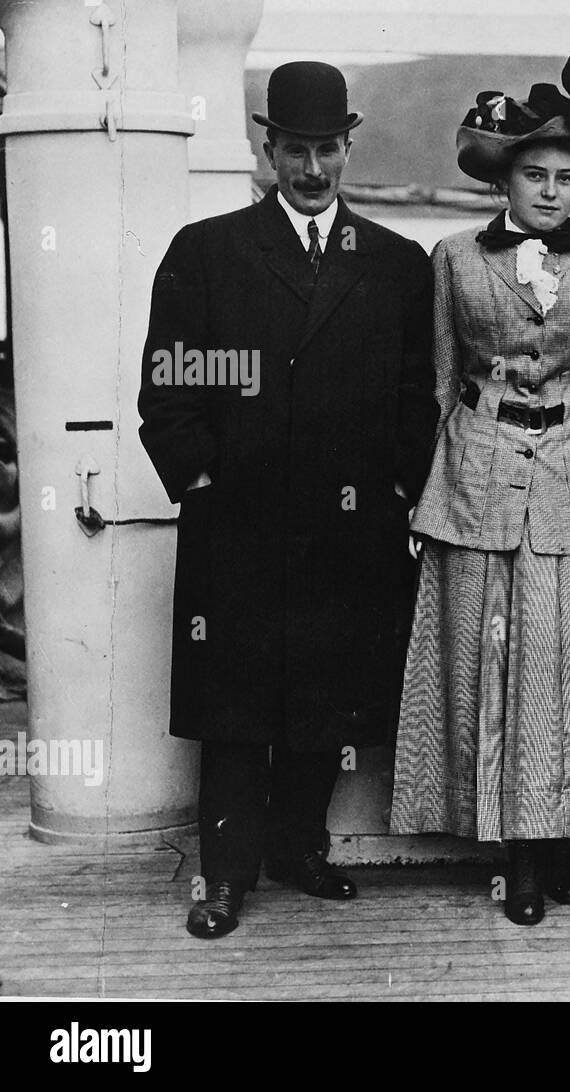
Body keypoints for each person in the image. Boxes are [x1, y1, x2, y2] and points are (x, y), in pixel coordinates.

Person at [138, 62, 437, 939]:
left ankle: (299, 847)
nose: (312, 169)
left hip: (350, 526)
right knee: (235, 707)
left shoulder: (394, 263)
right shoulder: (209, 251)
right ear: (269, 150)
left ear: (350, 144)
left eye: (327, 150)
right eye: (295, 151)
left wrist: (396, 487)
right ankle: (223, 877)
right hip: (240, 522)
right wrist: (201, 480)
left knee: (327, 695)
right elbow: (169, 384)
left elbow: (418, 392)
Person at [389, 39, 570, 927]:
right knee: (492, 664)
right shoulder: (454, 259)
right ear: (501, 181)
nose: (550, 190)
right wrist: (426, 495)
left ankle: (565, 836)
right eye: (534, 174)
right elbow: (436, 378)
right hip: (476, 473)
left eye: (567, 176)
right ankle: (514, 854)